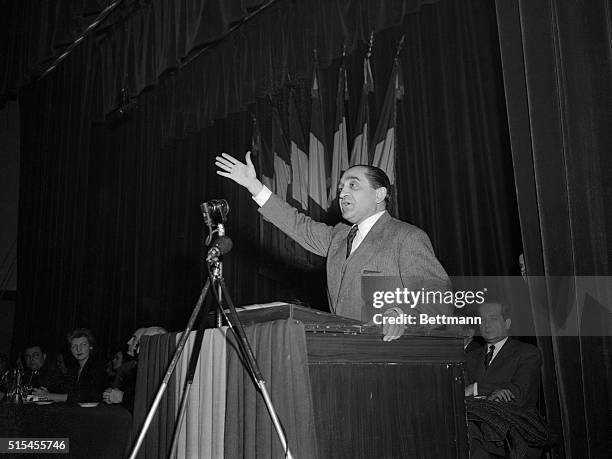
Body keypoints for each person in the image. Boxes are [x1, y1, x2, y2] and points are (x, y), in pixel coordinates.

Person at [216, 152, 451, 341]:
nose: (342, 193)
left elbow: (440, 300)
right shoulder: (338, 236)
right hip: (341, 348)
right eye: (341, 188)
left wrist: (401, 315)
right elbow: (297, 224)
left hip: (387, 354)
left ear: (379, 194)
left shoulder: (406, 236)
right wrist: (254, 186)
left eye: (353, 185)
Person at [464, 302, 551, 458]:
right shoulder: (470, 358)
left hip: (515, 430)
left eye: (493, 318)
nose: (486, 324)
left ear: (507, 323)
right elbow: (461, 393)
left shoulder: (527, 353)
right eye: (482, 319)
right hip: (478, 427)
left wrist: (476, 389)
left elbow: (519, 393)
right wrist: (491, 391)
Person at [34, 328, 107, 403]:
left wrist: (50, 395)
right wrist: (47, 391)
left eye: (83, 345)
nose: (79, 349)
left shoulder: (97, 367)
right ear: (70, 350)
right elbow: (65, 389)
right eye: (74, 346)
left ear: (90, 346)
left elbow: (86, 396)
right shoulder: (74, 368)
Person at [103, 326, 166, 411]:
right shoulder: (137, 369)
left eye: (135, 339)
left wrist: (122, 397)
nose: (129, 343)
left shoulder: (161, 370)